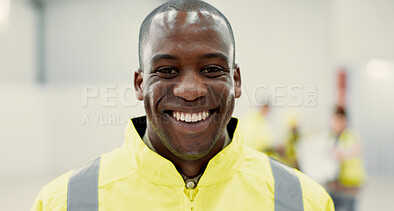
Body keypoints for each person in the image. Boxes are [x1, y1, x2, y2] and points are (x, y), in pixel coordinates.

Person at [32, 1, 334, 210]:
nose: (191, 90)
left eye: (212, 69)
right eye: (166, 71)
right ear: (139, 84)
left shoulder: (305, 201)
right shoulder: (65, 202)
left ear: (236, 80)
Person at [327, 106, 366, 211]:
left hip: (349, 188)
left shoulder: (351, 136)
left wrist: (340, 154)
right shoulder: (330, 137)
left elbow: (355, 150)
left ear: (345, 121)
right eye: (335, 120)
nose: (337, 123)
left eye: (340, 120)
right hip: (334, 187)